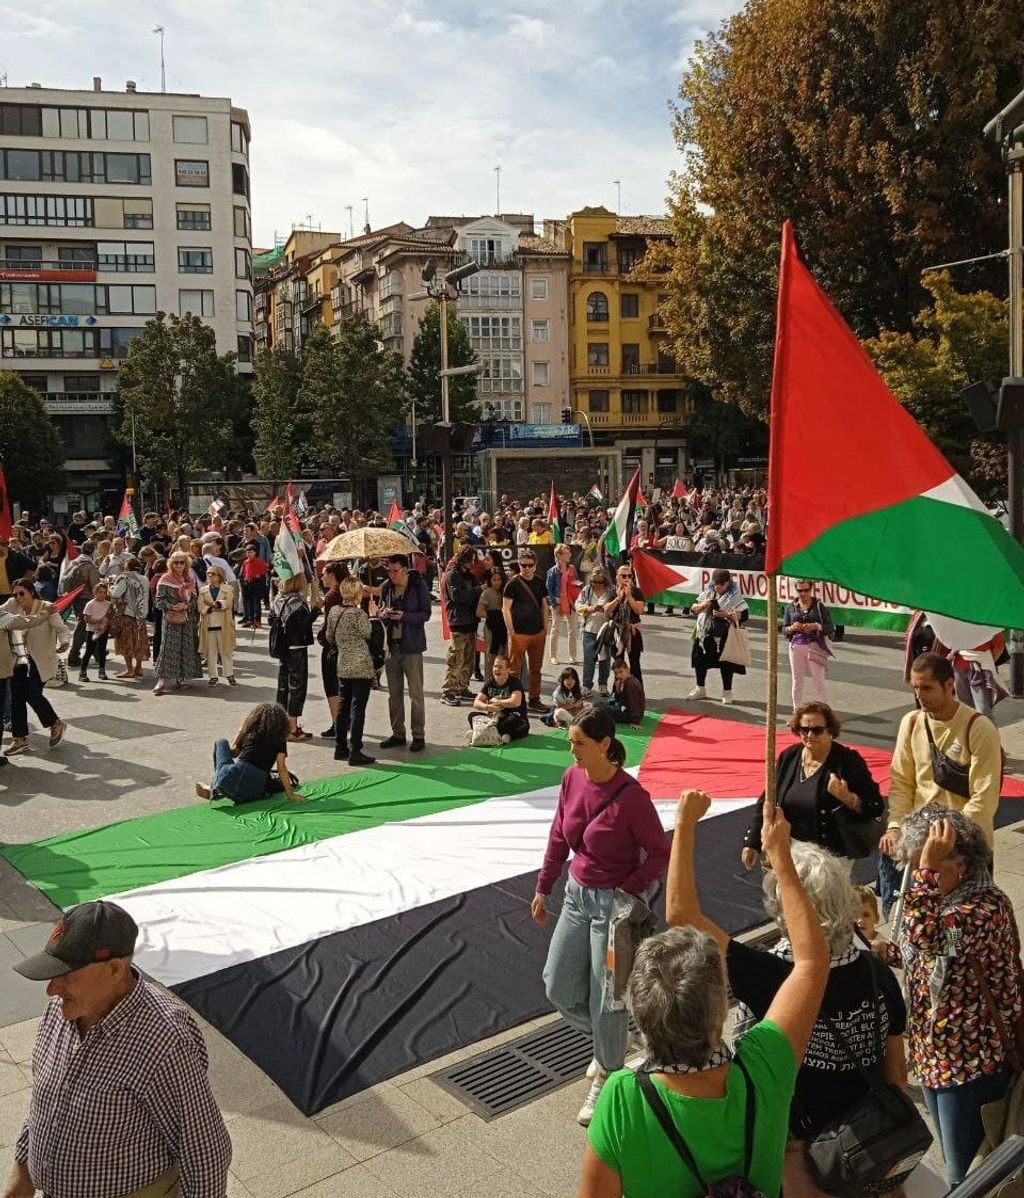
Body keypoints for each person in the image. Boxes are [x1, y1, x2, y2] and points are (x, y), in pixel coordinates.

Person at [579, 799, 829, 1198]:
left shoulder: (623, 1097)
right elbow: (813, 962)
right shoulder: (765, 1066)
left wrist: (682, 822)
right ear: (718, 1010)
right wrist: (781, 859)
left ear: (641, 1017)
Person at [668, 789, 907, 1198]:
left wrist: (686, 824)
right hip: (868, 1149)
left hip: (807, 1161)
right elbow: (897, 1077)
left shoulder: (780, 978)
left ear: (786, 909)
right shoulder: (875, 972)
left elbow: (681, 915)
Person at [8, 900, 232, 1198]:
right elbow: (46, 1101)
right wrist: (22, 1174)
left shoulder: (164, 1039)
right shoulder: (59, 1012)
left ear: (114, 970)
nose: (52, 989)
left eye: (67, 975)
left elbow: (204, 1151)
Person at [532, 707, 670, 1126]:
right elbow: (559, 833)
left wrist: (630, 887)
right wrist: (544, 886)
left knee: (608, 997)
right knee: (556, 985)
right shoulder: (572, 778)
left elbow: (660, 851)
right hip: (576, 896)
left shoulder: (632, 798)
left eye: (579, 743)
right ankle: (610, 1043)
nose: (570, 749)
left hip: (613, 908)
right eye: (571, 740)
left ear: (605, 745)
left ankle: (607, 1072)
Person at [874, 806, 1020, 1185]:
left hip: (971, 1063)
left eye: (934, 868)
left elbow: (931, 937)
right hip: (936, 1058)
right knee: (961, 1166)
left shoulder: (986, 906)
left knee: (967, 1176)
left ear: (963, 863)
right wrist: (883, 951)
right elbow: (927, 954)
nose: (922, 878)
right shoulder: (947, 905)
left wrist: (925, 870)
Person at [879, 651, 1004, 916]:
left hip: (966, 851)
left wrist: (949, 841)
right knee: (918, 927)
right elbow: (902, 781)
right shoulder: (911, 722)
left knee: (969, 929)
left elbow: (984, 797)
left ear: (950, 685)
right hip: (921, 848)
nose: (919, 695)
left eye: (926, 687)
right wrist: (894, 827)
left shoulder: (979, 728)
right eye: (914, 688)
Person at [741, 702, 884, 866]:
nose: (810, 735)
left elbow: (875, 806)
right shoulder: (789, 756)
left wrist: (848, 798)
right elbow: (768, 798)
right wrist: (752, 842)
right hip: (790, 849)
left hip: (830, 855)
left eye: (817, 730)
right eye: (804, 730)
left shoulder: (847, 761)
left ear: (829, 730)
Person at [1, 579, 69, 755]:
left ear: (31, 591)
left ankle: (55, 723)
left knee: (31, 693)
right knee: (16, 696)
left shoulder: (47, 607)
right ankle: (20, 739)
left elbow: (61, 629)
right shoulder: (11, 605)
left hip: (40, 659)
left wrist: (64, 642)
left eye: (21, 593)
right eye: (15, 594)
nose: (18, 597)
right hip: (18, 659)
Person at [196, 701, 303, 803]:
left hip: (232, 777)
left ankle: (216, 787)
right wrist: (290, 793)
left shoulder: (251, 732)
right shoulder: (280, 739)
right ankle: (223, 788)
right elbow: (282, 768)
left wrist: (242, 730)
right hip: (255, 792)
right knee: (243, 779)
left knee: (221, 742)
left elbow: (233, 751)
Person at [378, 554, 432, 753]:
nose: (392, 575)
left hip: (412, 646)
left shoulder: (418, 585)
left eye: (395, 571)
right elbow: (380, 610)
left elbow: (426, 614)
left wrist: (406, 616)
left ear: (405, 570)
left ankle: (418, 734)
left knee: (416, 693)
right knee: (394, 694)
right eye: (389, 571)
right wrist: (383, 614)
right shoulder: (386, 587)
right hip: (392, 645)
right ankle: (398, 733)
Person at [324, 576, 376, 766]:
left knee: (343, 707)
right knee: (358, 708)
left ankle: (340, 747)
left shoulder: (334, 612)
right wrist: (372, 615)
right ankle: (355, 750)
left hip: (343, 664)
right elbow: (368, 633)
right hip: (361, 665)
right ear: (357, 594)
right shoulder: (358, 614)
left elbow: (329, 636)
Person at [687, 568, 749, 705]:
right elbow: (693, 608)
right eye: (716, 583)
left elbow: (744, 615)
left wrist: (726, 614)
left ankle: (727, 691)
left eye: (722, 584)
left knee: (726, 663)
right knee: (700, 660)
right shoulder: (707, 593)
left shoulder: (735, 597)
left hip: (725, 635)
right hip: (704, 634)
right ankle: (700, 688)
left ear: (728, 583)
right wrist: (703, 605)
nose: (718, 586)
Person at [503, 550, 551, 714]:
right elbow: (506, 609)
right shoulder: (513, 584)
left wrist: (545, 628)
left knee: (536, 669)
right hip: (519, 633)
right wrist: (512, 632)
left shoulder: (539, 581)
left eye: (530, 565)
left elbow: (544, 605)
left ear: (535, 565)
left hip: (537, 632)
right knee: (514, 670)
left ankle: (534, 699)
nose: (526, 568)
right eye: (523, 565)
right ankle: (514, 701)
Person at [269, 574, 314, 741]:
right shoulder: (297, 603)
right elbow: (303, 626)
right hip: (297, 647)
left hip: (282, 647)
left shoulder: (279, 599)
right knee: (297, 686)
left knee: (283, 684)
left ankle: (282, 723)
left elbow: (270, 620)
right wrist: (316, 610)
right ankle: (293, 726)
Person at [152, 551, 201, 696]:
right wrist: (173, 606)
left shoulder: (189, 579)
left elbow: (194, 601)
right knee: (168, 648)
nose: (179, 565)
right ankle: (161, 680)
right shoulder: (165, 579)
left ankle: (181, 677)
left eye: (182, 562)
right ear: (170, 564)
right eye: (176, 562)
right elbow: (159, 601)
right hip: (172, 619)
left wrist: (186, 606)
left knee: (186, 647)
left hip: (187, 619)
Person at [782, 582, 835, 708]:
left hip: (815, 646)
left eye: (806, 590)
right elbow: (784, 629)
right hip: (796, 646)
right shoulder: (790, 607)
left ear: (811, 590)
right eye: (800, 591)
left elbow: (830, 627)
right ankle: (796, 711)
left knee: (819, 681)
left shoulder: (819, 606)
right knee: (797, 681)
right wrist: (791, 628)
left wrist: (817, 626)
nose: (803, 593)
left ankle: (824, 713)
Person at [441, 547, 481, 707]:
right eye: (471, 559)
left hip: (470, 621)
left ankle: (462, 687)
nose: (473, 563)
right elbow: (457, 596)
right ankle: (448, 691)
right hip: (458, 621)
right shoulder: (452, 575)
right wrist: (476, 591)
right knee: (456, 659)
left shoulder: (469, 575)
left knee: (468, 659)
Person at [468, 654, 530, 744]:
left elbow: (515, 702)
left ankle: (480, 733)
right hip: (494, 720)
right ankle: (494, 735)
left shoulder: (514, 683)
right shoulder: (490, 682)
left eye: (500, 667)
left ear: (508, 669)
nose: (497, 669)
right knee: (472, 716)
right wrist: (488, 707)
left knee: (515, 721)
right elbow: (476, 702)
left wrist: (499, 702)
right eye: (495, 666)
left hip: (512, 718)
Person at [603, 565, 646, 683]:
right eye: (623, 576)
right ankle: (618, 693)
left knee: (635, 663)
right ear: (617, 577)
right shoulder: (612, 591)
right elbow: (606, 610)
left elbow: (639, 610)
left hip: (633, 630)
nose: (627, 578)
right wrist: (618, 598)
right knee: (618, 664)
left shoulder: (636, 591)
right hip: (617, 631)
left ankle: (636, 692)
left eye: (629, 576)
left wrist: (629, 596)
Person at [109, 558, 150, 680]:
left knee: (126, 642)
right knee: (139, 641)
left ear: (128, 566)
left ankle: (129, 669)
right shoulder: (145, 579)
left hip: (127, 614)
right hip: (141, 615)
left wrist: (110, 586)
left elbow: (116, 593)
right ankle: (139, 667)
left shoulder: (124, 577)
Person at [317, 562, 346, 738]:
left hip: (332, 645)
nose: (322, 577)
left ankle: (337, 723)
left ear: (333, 576)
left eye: (324, 574)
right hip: (344, 643)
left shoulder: (333, 594)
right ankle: (343, 720)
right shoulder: (344, 591)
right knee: (341, 684)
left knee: (331, 685)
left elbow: (330, 623)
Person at [197, 565, 236, 686]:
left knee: (226, 651)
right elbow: (200, 606)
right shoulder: (203, 590)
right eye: (208, 573)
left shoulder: (228, 588)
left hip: (224, 624)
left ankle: (229, 674)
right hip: (208, 625)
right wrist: (210, 607)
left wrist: (214, 604)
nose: (209, 576)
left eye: (212, 574)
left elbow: (228, 603)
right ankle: (213, 676)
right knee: (210, 653)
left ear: (219, 576)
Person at [576, 567, 611, 699]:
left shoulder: (610, 592)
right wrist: (591, 608)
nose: (596, 584)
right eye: (593, 581)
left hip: (605, 630)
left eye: (599, 582)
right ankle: (586, 686)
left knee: (605, 659)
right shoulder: (587, 590)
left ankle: (603, 684)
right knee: (589, 659)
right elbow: (578, 605)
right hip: (589, 629)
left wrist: (607, 610)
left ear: (605, 581)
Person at [546, 542, 581, 666]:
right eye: (566, 553)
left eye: (569, 553)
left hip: (571, 602)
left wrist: (576, 585)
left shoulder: (572, 568)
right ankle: (553, 656)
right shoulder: (552, 571)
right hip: (558, 602)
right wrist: (555, 605)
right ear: (559, 555)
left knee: (573, 630)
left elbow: (576, 581)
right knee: (555, 629)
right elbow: (548, 589)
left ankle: (572, 657)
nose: (569, 555)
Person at [477, 566, 508, 680]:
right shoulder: (487, 593)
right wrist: (494, 615)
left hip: (504, 627)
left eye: (499, 579)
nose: (497, 582)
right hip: (491, 628)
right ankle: (489, 681)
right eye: (494, 580)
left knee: (504, 655)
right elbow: (479, 612)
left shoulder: (505, 591)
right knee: (491, 655)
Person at [78, 580, 111, 682]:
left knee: (102, 651)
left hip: (103, 631)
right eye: (100, 592)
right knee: (89, 651)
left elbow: (110, 617)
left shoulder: (108, 604)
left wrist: (106, 624)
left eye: (104, 592)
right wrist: (97, 621)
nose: (102, 594)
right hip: (92, 631)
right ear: (95, 592)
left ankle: (102, 671)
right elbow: (86, 619)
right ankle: (82, 672)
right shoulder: (90, 604)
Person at [604, 656, 645, 726]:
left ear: (628, 670)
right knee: (606, 703)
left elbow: (633, 702)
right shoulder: (625, 681)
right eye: (616, 673)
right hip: (624, 708)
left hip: (628, 715)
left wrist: (635, 721)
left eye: (621, 672)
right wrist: (618, 689)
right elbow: (618, 700)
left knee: (598, 706)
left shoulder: (630, 684)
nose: (618, 675)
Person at [239, 540, 269, 628]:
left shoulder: (259, 562)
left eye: (251, 552)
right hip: (247, 584)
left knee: (256, 603)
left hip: (256, 585)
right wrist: (244, 580)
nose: (249, 554)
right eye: (247, 552)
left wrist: (258, 576)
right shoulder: (245, 562)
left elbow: (264, 572)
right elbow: (242, 573)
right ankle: (250, 619)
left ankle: (257, 621)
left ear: (255, 552)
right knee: (248, 603)